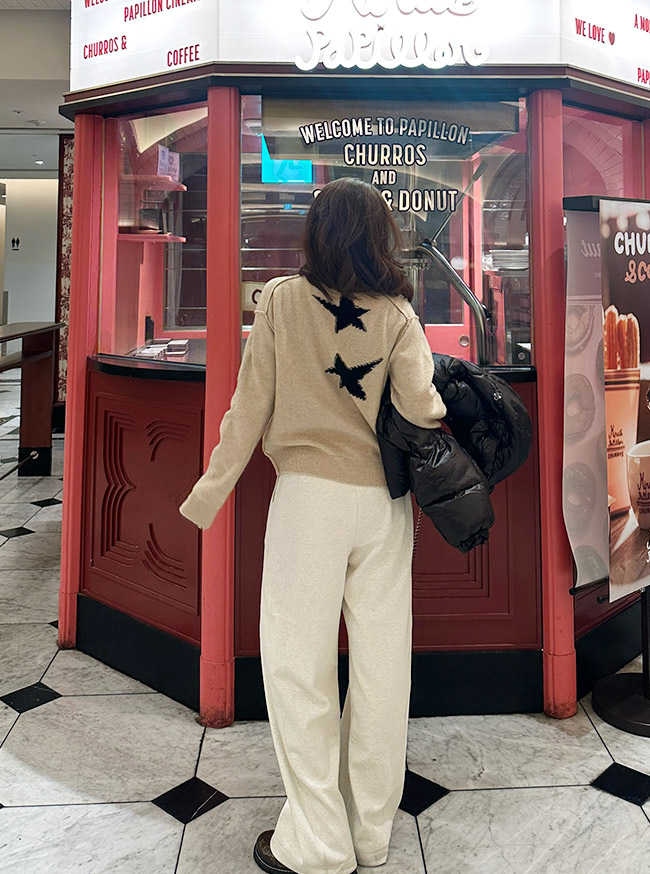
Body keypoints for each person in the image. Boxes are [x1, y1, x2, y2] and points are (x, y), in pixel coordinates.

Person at [179, 177, 446, 874]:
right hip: (383, 506)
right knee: (383, 669)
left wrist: (209, 495)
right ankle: (370, 835)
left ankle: (318, 844)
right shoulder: (398, 313)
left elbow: (248, 408)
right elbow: (422, 410)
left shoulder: (279, 301)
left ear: (315, 233)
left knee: (299, 670)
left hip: (306, 504)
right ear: (380, 236)